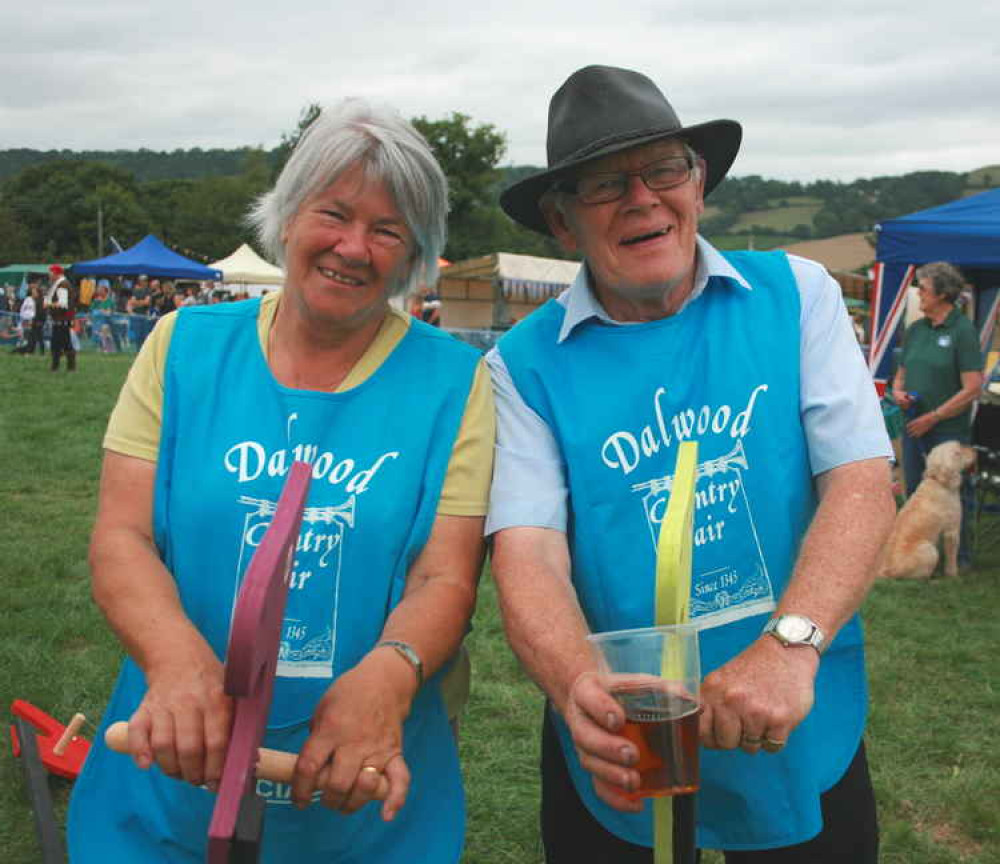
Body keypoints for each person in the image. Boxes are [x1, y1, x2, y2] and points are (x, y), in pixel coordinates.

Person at [68, 99, 495, 863]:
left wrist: (388, 677)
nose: (353, 247)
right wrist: (177, 661)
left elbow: (446, 575)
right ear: (289, 216)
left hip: (361, 784)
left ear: (416, 254)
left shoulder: (457, 382)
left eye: (388, 230)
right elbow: (121, 535)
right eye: (334, 213)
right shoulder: (182, 345)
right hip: (169, 757)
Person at [486, 65, 895, 862]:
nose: (642, 198)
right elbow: (528, 552)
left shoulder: (797, 294)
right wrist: (579, 686)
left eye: (664, 169)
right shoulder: (520, 366)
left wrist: (789, 646)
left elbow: (860, 482)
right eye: (604, 185)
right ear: (562, 223)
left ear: (697, 183)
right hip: (619, 729)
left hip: (798, 699)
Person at [891, 261, 982, 568]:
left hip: (947, 430)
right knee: (917, 494)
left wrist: (934, 416)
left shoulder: (962, 331)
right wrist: (899, 392)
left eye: (924, 289)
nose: (919, 294)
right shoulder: (916, 329)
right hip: (914, 425)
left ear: (943, 294)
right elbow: (900, 374)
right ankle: (913, 556)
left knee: (954, 497)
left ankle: (960, 559)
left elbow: (972, 387)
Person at [45, 264, 76, 371]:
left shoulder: (62, 285)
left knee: (59, 344)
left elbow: (62, 304)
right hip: (61, 320)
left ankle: (59, 367)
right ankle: (65, 367)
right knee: (62, 344)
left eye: (51, 273)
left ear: (56, 273)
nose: (49, 275)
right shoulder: (62, 284)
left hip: (61, 319)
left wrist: (49, 305)